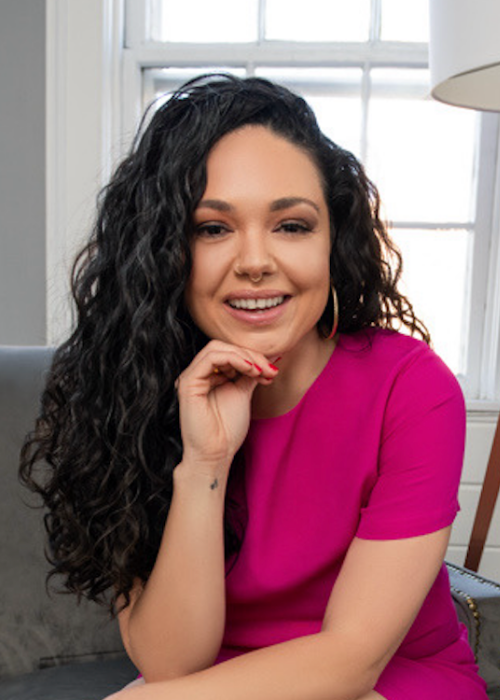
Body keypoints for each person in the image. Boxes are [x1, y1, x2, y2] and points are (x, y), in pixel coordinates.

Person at [20, 74, 488, 700]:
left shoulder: (411, 388)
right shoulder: (133, 394)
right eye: (213, 229)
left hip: (384, 682)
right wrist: (204, 465)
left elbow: (352, 660)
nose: (256, 262)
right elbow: (171, 664)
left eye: (291, 225)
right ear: (164, 252)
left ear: (333, 241)